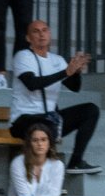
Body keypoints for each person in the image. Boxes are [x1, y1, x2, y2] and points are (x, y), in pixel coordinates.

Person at [8, 19, 99, 176]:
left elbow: (74, 87)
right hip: (23, 119)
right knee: (45, 125)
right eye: (36, 31)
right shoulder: (23, 56)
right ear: (28, 38)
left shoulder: (57, 60)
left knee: (91, 110)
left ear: (50, 34)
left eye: (45, 30)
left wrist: (76, 71)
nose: (41, 34)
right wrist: (66, 72)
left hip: (50, 118)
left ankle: (76, 162)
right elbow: (32, 83)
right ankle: (44, 179)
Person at [7, 120, 64, 196]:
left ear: (50, 143)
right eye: (35, 140)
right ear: (29, 143)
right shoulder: (18, 163)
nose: (40, 144)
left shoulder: (57, 165)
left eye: (44, 140)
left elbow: (53, 195)